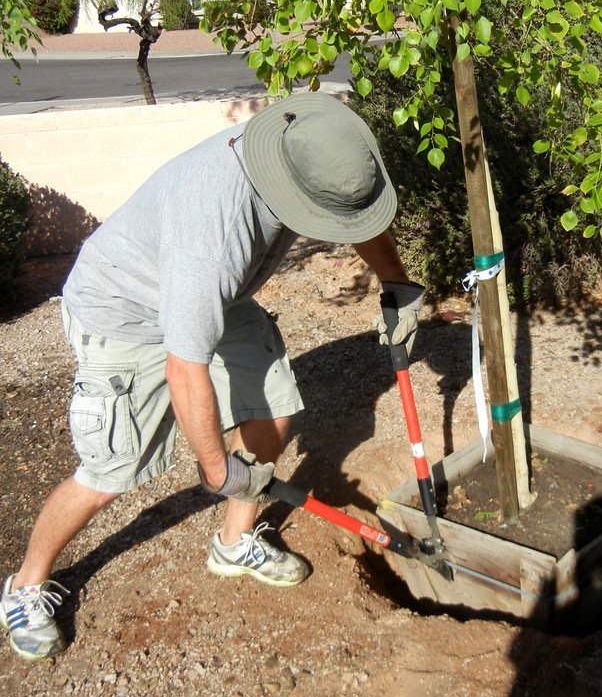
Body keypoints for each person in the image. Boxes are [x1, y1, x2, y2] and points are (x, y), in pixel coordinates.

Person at [0, 92, 424, 662]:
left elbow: (350, 213)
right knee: (111, 470)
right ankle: (25, 587)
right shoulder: (213, 234)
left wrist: (397, 283)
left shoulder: (301, 150)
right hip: (125, 312)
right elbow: (185, 367)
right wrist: (221, 470)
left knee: (273, 404)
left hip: (209, 299)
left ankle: (233, 542)